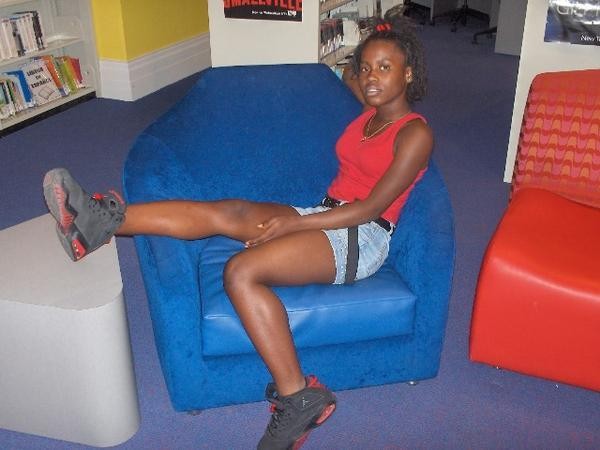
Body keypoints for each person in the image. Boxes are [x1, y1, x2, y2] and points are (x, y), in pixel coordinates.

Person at [42, 16, 432, 450]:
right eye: (367, 67)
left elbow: (372, 207)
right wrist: (361, 56)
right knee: (231, 211)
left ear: (408, 73)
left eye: (385, 68)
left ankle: (298, 396)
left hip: (362, 236)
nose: (372, 77)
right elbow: (345, 78)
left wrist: (294, 223)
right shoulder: (370, 108)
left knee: (241, 271)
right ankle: (97, 224)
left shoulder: (415, 133)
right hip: (328, 212)